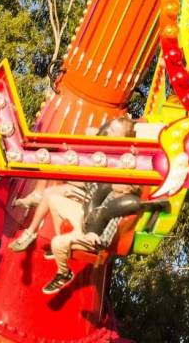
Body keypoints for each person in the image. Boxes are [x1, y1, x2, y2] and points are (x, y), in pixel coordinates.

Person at [39, 119, 172, 295]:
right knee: (53, 199)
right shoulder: (111, 170)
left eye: (114, 131)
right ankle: (64, 240)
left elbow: (128, 195)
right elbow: (92, 134)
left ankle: (64, 273)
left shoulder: (125, 195)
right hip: (86, 217)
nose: (109, 131)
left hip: (96, 236)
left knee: (58, 243)